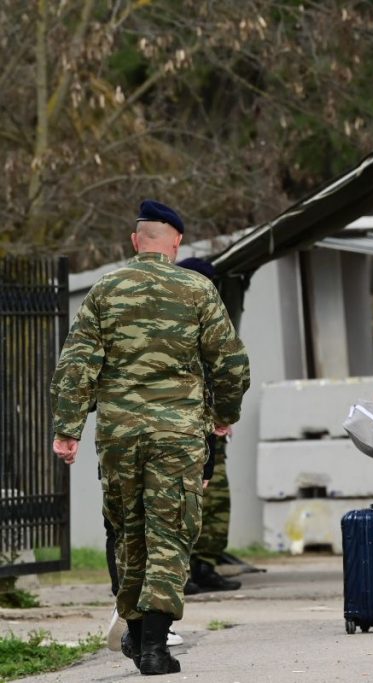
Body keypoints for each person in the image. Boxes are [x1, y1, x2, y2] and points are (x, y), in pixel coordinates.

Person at [51, 200, 250, 675]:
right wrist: (223, 415)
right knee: (170, 533)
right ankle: (155, 647)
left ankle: (138, 638)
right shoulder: (197, 289)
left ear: (136, 241)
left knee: (127, 532)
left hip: (119, 434)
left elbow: (76, 365)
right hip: (178, 435)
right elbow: (231, 364)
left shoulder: (105, 290)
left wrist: (67, 428)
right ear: (176, 243)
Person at [176, 256, 241, 595]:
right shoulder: (172, 317)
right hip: (183, 425)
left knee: (216, 500)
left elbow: (226, 367)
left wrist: (223, 414)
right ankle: (180, 571)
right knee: (181, 500)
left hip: (210, 423)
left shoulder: (209, 315)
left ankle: (205, 564)